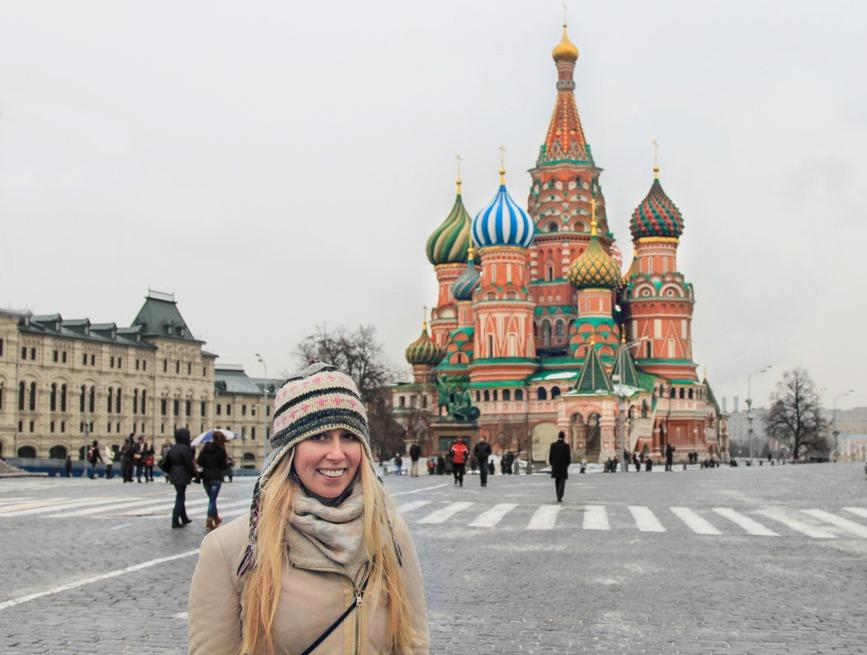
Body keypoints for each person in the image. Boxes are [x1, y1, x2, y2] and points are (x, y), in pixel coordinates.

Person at [188, 362, 429, 655]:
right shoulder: (231, 550)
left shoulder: (389, 534)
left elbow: (412, 645)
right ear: (288, 451)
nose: (338, 454)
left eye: (349, 436)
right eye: (320, 436)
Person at [197, 431, 228, 530]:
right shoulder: (221, 450)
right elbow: (223, 466)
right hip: (216, 477)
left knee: (211, 499)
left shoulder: (205, 448)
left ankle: (216, 518)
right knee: (212, 500)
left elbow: (199, 461)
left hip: (205, 477)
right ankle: (209, 521)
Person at [166, 428, 195, 528]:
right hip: (182, 474)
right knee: (180, 497)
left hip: (173, 474)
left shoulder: (173, 448)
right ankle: (175, 520)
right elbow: (188, 463)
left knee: (180, 495)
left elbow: (167, 461)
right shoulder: (185, 449)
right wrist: (194, 474)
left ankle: (184, 517)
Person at [548, 431, 571, 503]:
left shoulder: (553, 445)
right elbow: (568, 457)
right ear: (564, 437)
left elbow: (550, 456)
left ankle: (558, 494)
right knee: (562, 481)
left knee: (557, 481)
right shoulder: (566, 446)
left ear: (558, 436)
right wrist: (567, 464)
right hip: (563, 467)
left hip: (555, 466)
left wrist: (552, 464)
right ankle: (560, 496)